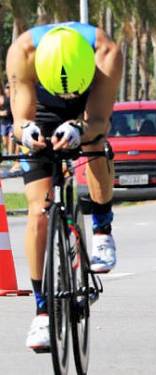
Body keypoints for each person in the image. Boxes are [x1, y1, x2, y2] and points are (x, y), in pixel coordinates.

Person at [7, 21, 122, 350]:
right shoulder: (23, 53)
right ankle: (42, 311)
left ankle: (102, 229)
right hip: (40, 111)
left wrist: (79, 128)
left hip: (85, 114)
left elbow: (99, 120)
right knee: (38, 211)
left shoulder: (107, 53)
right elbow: (19, 121)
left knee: (96, 143)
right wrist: (26, 131)